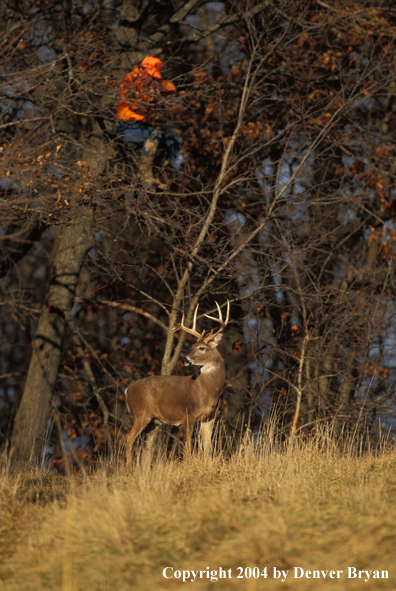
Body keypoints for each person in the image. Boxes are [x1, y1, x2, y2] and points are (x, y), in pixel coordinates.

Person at [115, 56, 183, 188]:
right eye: (151, 75)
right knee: (155, 134)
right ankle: (145, 175)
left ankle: (153, 174)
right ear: (142, 69)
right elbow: (134, 106)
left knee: (176, 142)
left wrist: (157, 85)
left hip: (143, 128)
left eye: (155, 76)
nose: (152, 78)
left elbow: (172, 88)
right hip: (125, 127)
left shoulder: (151, 83)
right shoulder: (130, 80)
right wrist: (149, 95)